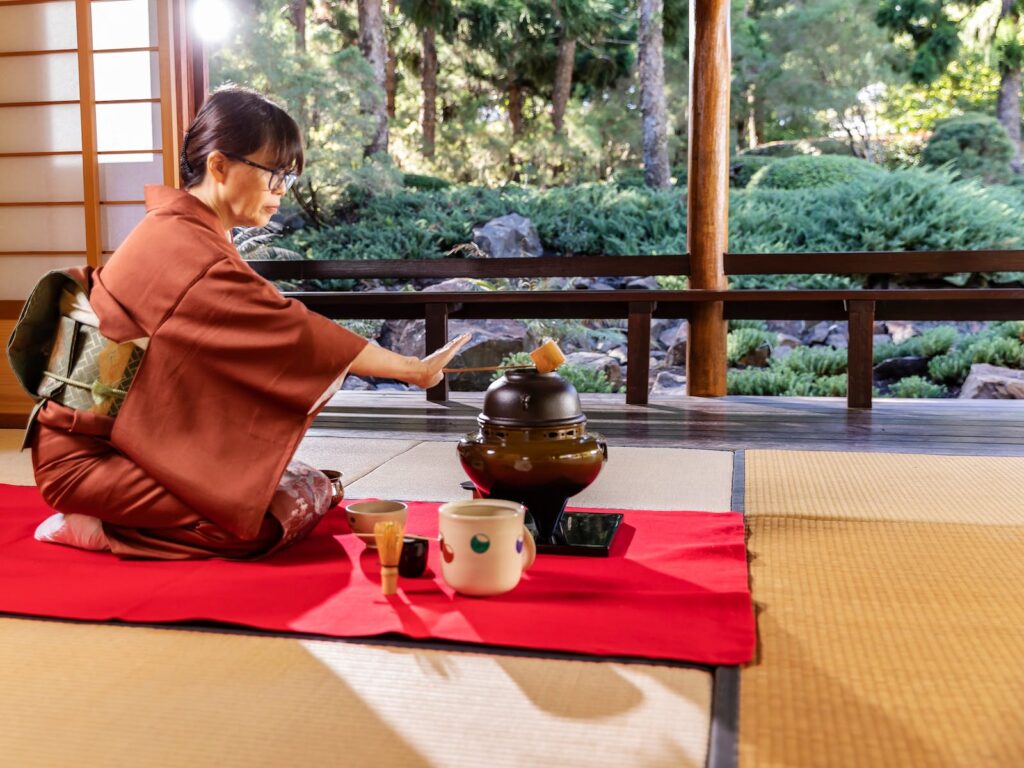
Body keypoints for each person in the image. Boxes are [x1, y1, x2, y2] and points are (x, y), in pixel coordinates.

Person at [8, 85, 468, 559]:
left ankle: (127, 513)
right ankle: (96, 527)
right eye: (274, 174)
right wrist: (411, 369)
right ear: (220, 165)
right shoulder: (185, 246)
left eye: (287, 178)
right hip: (86, 461)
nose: (280, 192)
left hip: (125, 445)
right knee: (258, 525)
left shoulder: (185, 230)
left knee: (309, 485)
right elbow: (293, 332)